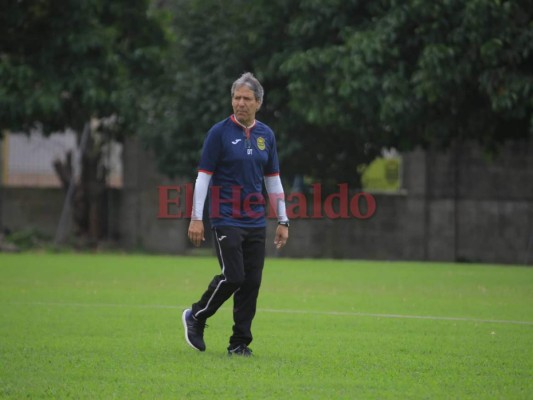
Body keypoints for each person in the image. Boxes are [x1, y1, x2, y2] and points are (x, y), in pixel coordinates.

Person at [182, 72, 289, 357]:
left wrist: (283, 219)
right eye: (236, 97)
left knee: (251, 283)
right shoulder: (218, 133)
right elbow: (203, 177)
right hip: (225, 216)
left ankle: (239, 343)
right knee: (234, 276)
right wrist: (196, 218)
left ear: (258, 103)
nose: (240, 103)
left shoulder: (267, 135)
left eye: (246, 98)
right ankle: (196, 316)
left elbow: (273, 180)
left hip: (255, 220)